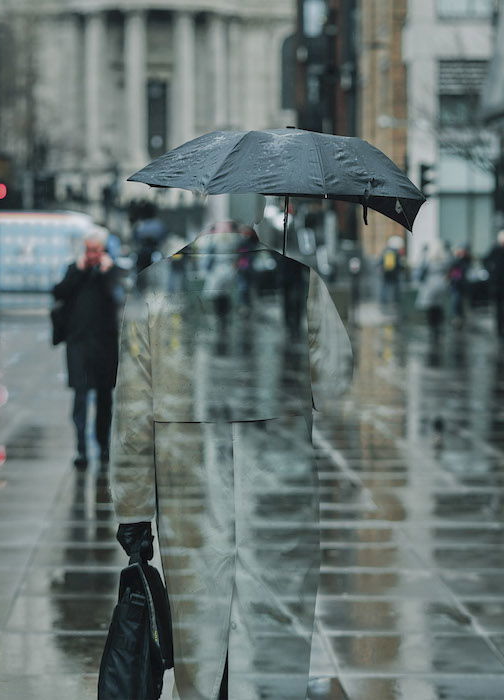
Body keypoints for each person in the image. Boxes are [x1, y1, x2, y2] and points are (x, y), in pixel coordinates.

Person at [109, 196, 353, 700]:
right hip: (278, 499)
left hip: (191, 500)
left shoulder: (155, 285)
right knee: (271, 640)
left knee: (201, 639)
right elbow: (334, 381)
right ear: (256, 214)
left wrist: (133, 511)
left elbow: (132, 414)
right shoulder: (296, 282)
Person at [53, 227, 119, 468]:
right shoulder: (74, 269)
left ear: (104, 250)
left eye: (96, 250)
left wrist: (105, 273)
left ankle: (103, 448)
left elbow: (117, 299)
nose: (92, 255)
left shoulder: (111, 272)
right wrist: (79, 272)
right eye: (89, 250)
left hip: (104, 347)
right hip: (79, 345)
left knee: (104, 400)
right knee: (80, 398)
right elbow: (58, 292)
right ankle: (81, 449)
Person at [415, 239, 450, 338]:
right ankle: (439, 328)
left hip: (430, 285)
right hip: (441, 285)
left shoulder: (427, 260)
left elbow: (420, 270)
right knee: (439, 306)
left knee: (431, 308)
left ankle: (433, 329)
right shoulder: (445, 259)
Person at [485, 230, 504, 338]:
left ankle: (500, 329)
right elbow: (486, 261)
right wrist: (491, 272)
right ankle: (499, 329)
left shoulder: (495, 250)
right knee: (498, 308)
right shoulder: (495, 250)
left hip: (498, 284)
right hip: (497, 285)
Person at [447, 245, 471, 327]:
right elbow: (452, 271)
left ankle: (460, 317)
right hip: (456, 284)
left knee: (459, 301)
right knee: (456, 301)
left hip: (461, 284)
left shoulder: (465, 260)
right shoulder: (455, 260)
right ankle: (457, 317)